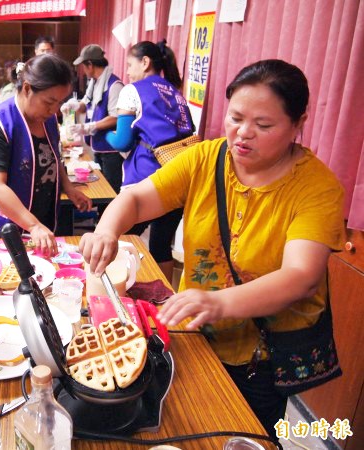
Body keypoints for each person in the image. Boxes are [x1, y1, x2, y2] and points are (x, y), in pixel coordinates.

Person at [80, 59, 345, 444]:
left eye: (264, 125)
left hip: (262, 356)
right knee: (190, 423)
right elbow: (137, 199)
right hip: (195, 334)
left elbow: (301, 277)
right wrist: (106, 229)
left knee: (246, 432)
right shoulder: (206, 159)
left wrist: (218, 303)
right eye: (235, 118)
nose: (243, 134)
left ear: (298, 123)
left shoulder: (317, 188)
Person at [0, 54, 92, 255]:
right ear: (26, 88)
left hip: (37, 221)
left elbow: (53, 156)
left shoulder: (47, 119)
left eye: (59, 102)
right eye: (49, 101)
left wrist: (68, 187)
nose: (54, 110)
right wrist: (33, 225)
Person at [104, 40, 194, 281]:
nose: (129, 71)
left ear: (145, 62)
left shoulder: (133, 91)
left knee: (120, 237)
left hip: (145, 178)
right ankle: (162, 299)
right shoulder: (176, 92)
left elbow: (122, 141)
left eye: (130, 65)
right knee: (161, 245)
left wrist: (104, 134)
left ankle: (118, 290)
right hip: (178, 177)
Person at [61, 44, 125, 193]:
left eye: (84, 66)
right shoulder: (95, 83)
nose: (83, 70)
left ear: (90, 64)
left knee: (110, 191)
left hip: (111, 150)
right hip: (98, 146)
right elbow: (86, 104)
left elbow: (116, 117)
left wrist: (88, 127)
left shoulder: (114, 85)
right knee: (100, 187)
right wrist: (74, 106)